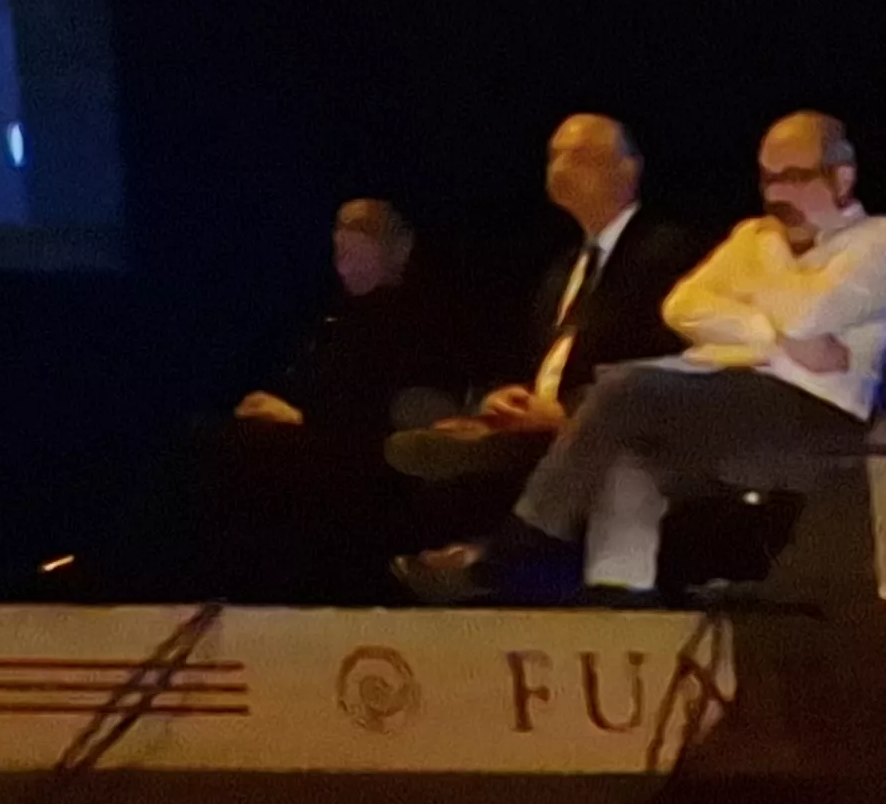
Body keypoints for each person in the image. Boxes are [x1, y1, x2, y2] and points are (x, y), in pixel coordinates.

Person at [400, 113, 886, 603]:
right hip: (733, 398)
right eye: (768, 178)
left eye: (796, 177)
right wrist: (774, 336)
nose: (778, 194)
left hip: (821, 413)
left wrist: (759, 285)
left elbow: (806, 314)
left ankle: (521, 546)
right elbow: (684, 306)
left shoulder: (874, 243)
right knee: (629, 454)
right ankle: (619, 594)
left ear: (841, 177)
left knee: (622, 389)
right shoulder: (753, 238)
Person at [384, 116, 704, 516]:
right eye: (554, 155)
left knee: (451, 467)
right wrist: (505, 398)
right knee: (419, 434)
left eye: (579, 154)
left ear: (629, 167)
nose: (561, 165)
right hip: (542, 425)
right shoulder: (563, 268)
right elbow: (532, 357)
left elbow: (662, 361)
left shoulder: (665, 253)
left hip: (603, 430)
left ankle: (480, 541)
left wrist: (567, 412)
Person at [174, 196, 461, 599]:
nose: (345, 250)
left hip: (369, 479)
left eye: (362, 234)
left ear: (401, 245)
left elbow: (402, 425)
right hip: (319, 462)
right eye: (340, 238)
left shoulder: (420, 327)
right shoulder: (331, 321)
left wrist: (302, 423)